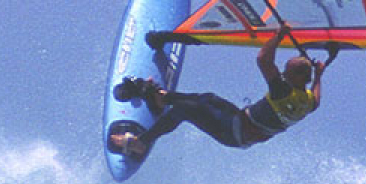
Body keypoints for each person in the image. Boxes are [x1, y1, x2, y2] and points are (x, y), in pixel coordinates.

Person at [109, 27, 337, 157]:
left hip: (234, 132)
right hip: (240, 123)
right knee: (209, 98)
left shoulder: (283, 91)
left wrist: (278, 35)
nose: (283, 74)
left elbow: (263, 59)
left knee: (185, 110)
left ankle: (141, 141)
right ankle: (160, 98)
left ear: (296, 78)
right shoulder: (306, 102)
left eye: (287, 71)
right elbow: (316, 98)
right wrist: (319, 74)